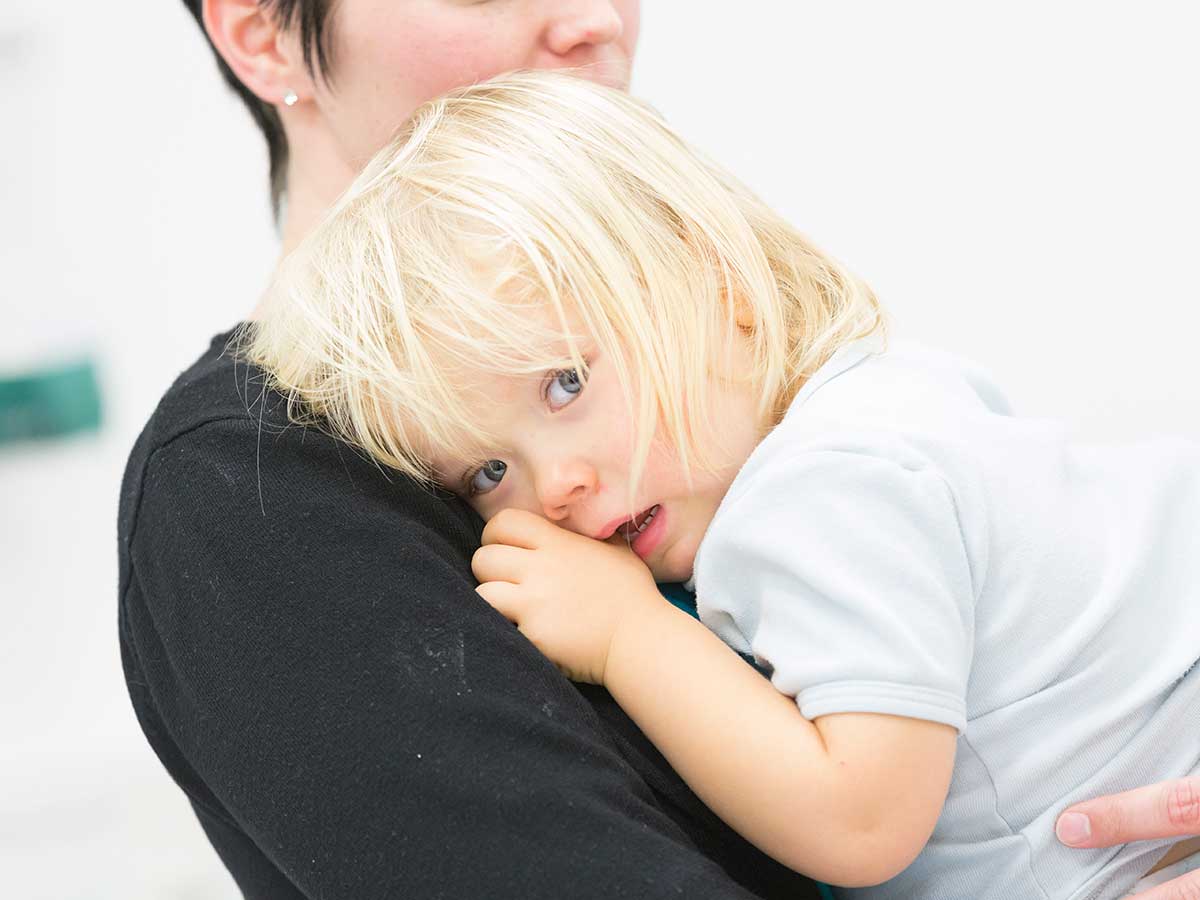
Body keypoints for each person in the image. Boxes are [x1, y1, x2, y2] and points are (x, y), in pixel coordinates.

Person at [119, 2, 1200, 898]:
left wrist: (633, 637)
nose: (599, 18)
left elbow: (872, 812)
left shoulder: (815, 470)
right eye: (485, 476)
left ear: (721, 291)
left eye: (566, 385)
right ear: (262, 32)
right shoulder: (248, 490)